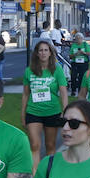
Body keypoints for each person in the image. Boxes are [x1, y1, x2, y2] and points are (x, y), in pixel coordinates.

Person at [21, 39, 69, 169]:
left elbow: (63, 93)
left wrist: (65, 111)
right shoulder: (29, 71)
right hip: (33, 111)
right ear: (36, 53)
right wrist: (22, 114)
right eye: (40, 50)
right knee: (34, 145)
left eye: (45, 50)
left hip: (52, 112)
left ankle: (48, 175)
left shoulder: (57, 70)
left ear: (50, 53)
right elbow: (25, 94)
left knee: (50, 145)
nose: (43, 53)